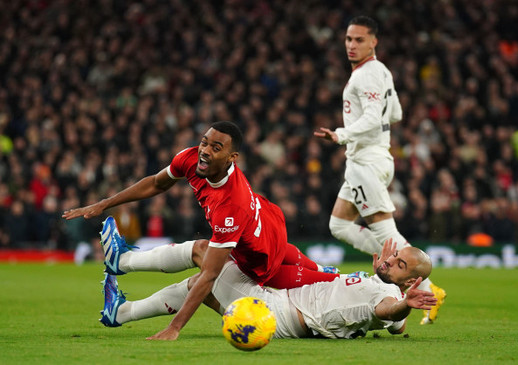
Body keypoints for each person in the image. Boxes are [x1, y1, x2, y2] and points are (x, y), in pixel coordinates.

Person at [63, 121, 340, 340]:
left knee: (330, 282)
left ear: (232, 158)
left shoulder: (231, 205)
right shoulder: (192, 160)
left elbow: (210, 275)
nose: (205, 150)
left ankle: (122, 275)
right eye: (204, 142)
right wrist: (104, 204)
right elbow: (156, 184)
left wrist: (175, 328)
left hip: (263, 265)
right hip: (270, 236)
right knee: (202, 256)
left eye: (215, 148)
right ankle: (121, 294)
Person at [313, 15, 446, 325]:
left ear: (374, 41)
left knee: (386, 230)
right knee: (339, 225)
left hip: (366, 162)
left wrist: (341, 134)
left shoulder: (366, 75)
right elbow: (395, 112)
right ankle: (396, 273)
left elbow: (374, 116)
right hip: (372, 158)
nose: (352, 45)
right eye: (348, 39)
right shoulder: (380, 70)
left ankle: (427, 288)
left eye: (359, 40)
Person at [101, 239, 437, 340]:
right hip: (281, 301)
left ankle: (124, 260)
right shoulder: (381, 284)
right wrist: (404, 312)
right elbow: (398, 325)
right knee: (200, 285)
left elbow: (389, 312)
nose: (391, 260)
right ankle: (122, 312)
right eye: (395, 255)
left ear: (410, 282)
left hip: (278, 313)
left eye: (400, 264)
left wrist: (405, 304)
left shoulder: (387, 298)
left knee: (208, 254)